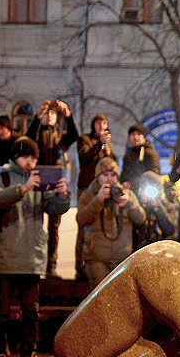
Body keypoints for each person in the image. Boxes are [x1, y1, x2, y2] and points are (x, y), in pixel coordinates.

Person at [0, 137, 70, 357]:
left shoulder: (39, 181)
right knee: (1, 314)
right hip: (4, 256)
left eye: (33, 157)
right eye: (25, 157)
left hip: (32, 256)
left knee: (31, 314)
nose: (29, 161)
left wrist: (62, 196)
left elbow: (54, 208)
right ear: (14, 157)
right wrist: (23, 188)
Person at [26, 99, 78, 276]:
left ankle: (52, 265)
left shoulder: (61, 136)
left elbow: (75, 135)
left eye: (52, 114)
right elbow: (28, 136)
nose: (49, 117)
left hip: (55, 178)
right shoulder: (36, 134)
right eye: (46, 114)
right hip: (38, 177)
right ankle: (34, 263)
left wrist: (68, 114)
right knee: (34, 222)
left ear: (57, 119)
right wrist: (37, 115)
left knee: (54, 226)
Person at [77, 158, 146, 288]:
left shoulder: (126, 194)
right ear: (98, 177)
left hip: (122, 259)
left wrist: (128, 204)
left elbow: (141, 218)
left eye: (113, 175)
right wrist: (98, 200)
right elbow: (81, 220)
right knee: (100, 299)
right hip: (97, 259)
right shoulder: (89, 195)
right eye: (105, 175)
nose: (109, 179)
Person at [75, 114, 113, 279]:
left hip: (103, 189)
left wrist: (108, 150)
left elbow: (111, 164)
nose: (101, 126)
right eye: (98, 123)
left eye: (104, 123)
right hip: (86, 188)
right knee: (84, 226)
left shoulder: (107, 144)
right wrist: (100, 144)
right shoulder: (85, 139)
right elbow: (84, 156)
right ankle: (80, 266)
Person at [133, 171, 178, 249]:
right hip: (139, 248)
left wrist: (158, 207)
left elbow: (169, 231)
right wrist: (143, 205)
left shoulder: (167, 205)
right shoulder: (135, 204)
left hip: (161, 247)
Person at [120, 124, 160, 188]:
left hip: (145, 190)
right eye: (133, 134)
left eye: (138, 134)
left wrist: (132, 184)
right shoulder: (127, 156)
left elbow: (154, 173)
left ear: (143, 137)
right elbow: (123, 174)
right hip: (129, 191)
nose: (136, 137)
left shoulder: (150, 153)